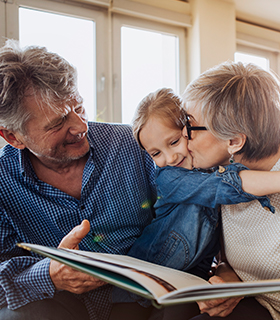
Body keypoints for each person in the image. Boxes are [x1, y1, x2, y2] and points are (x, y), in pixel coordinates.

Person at [0, 39, 157, 320]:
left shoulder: (132, 143)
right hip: (58, 305)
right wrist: (49, 275)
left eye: (80, 107)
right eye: (58, 123)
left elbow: (191, 203)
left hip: (144, 301)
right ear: (13, 137)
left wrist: (223, 267)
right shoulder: (3, 183)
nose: (81, 126)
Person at [110, 88, 280, 320]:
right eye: (155, 153)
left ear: (189, 132)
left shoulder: (213, 166)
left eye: (174, 142)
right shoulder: (169, 177)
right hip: (142, 277)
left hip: (187, 279)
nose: (170, 158)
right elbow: (226, 186)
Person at [181, 61, 280, 320]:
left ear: (234, 141)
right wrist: (227, 278)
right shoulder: (221, 178)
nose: (182, 136)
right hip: (261, 306)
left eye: (190, 126)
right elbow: (231, 259)